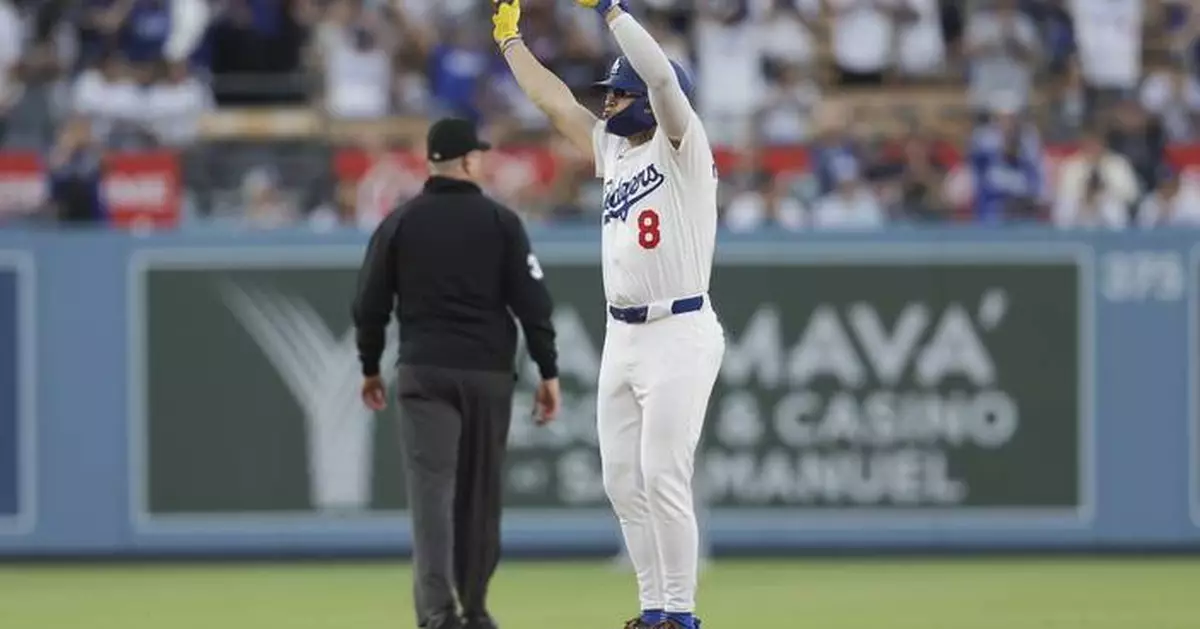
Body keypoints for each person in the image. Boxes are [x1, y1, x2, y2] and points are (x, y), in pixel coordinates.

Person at [493, 2, 726, 628]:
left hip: (679, 327)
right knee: (623, 481)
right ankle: (651, 610)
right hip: (623, 333)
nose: (609, 105)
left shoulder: (682, 142)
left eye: (619, 95)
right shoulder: (613, 151)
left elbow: (662, 79)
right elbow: (556, 103)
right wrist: (511, 42)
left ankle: (681, 615)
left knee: (663, 475)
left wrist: (610, 10)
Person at [351, 117, 562, 629]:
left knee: (432, 497)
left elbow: (368, 304)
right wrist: (548, 370)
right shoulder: (501, 222)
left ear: (431, 164)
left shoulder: (400, 222)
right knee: (480, 496)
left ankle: (439, 614)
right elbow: (532, 303)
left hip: (423, 372)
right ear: (468, 161)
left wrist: (370, 365)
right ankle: (476, 608)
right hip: (487, 374)